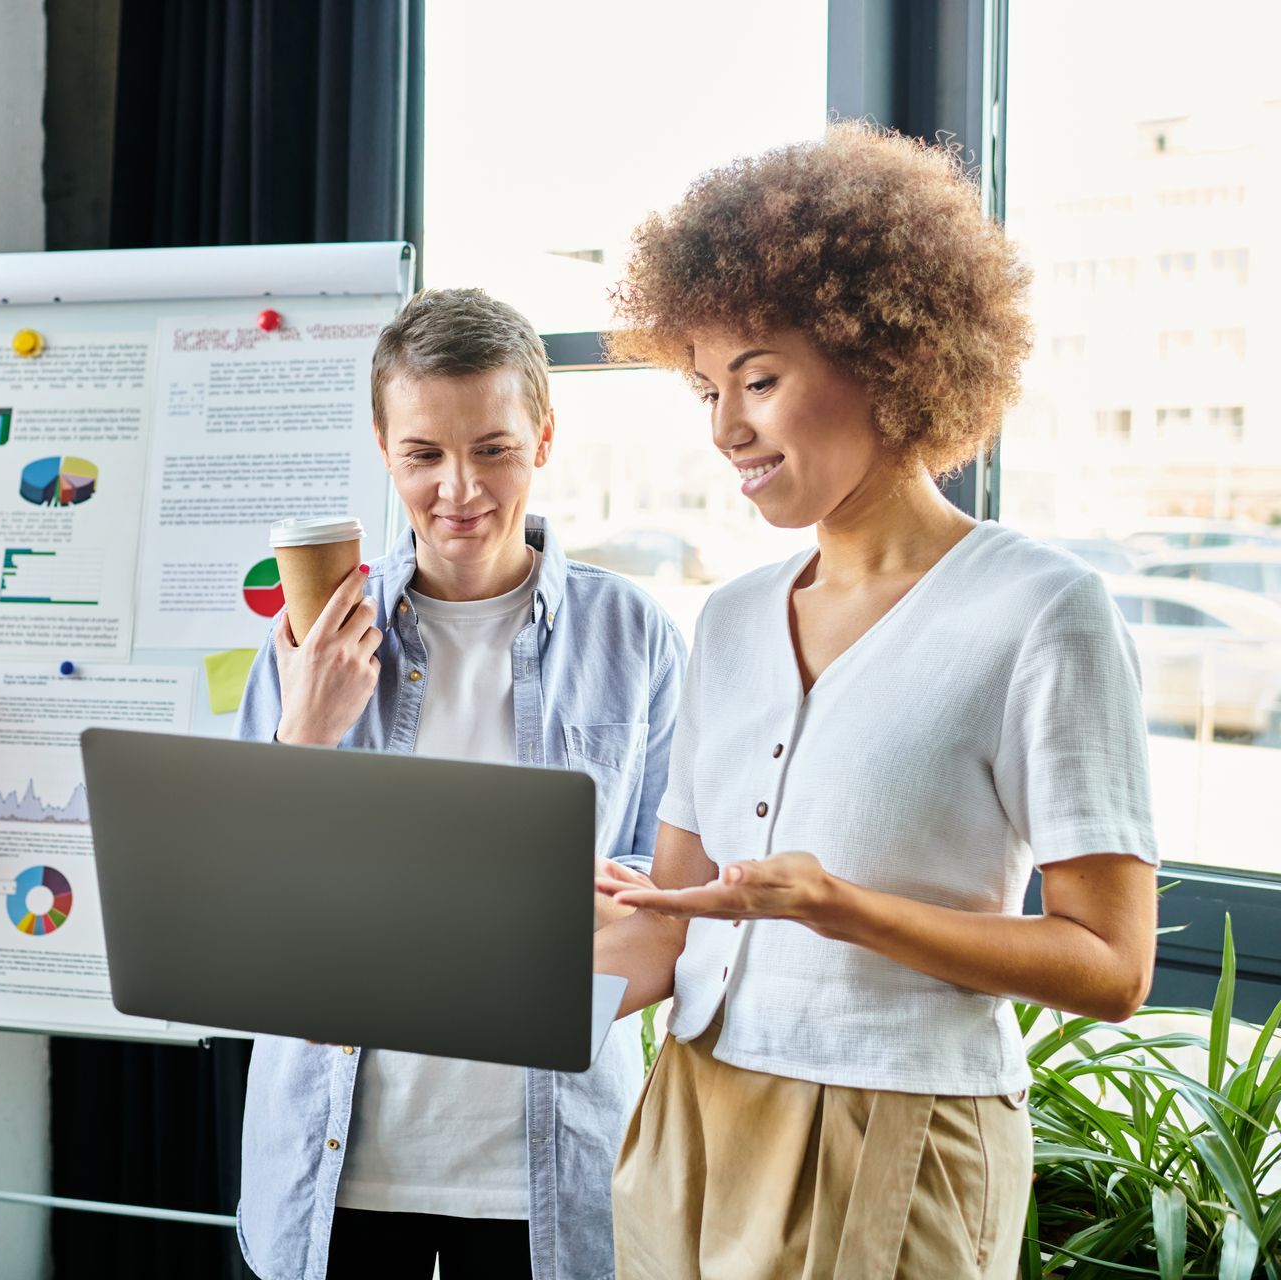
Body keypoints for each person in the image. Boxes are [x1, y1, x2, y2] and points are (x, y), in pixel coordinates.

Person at [592, 122, 1160, 1278]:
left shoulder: (1042, 611)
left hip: (898, 1118)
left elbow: (1112, 963)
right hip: (694, 1107)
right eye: (706, 388)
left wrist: (840, 905)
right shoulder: (734, 617)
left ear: (886, 353)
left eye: (759, 379)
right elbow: (675, 921)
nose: (726, 429)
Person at [233, 288, 685, 1280]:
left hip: (548, 1171)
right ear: (383, 446)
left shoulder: (634, 634)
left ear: (545, 436)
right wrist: (308, 725)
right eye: (424, 454)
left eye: (493, 447)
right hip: (338, 1164)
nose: (458, 487)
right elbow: (243, 909)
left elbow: (668, 889)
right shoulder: (312, 640)